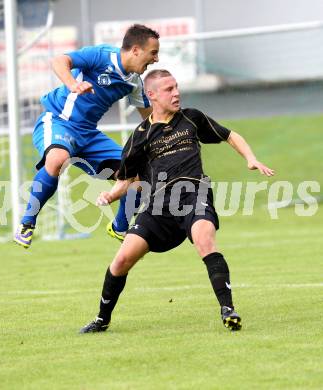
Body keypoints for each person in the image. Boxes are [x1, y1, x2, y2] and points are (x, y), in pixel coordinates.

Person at [79, 69, 275, 334]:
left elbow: (230, 135)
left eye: (177, 87)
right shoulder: (139, 136)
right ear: (152, 95)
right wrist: (111, 195)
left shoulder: (191, 118)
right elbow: (127, 179)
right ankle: (102, 319)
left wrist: (250, 158)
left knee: (205, 239)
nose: (176, 93)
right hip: (158, 207)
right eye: (169, 89)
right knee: (122, 259)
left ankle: (228, 310)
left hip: (194, 193)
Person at [13, 24, 160, 248]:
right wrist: (73, 84)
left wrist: (171, 133)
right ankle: (27, 223)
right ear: (136, 50)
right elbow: (59, 61)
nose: (156, 59)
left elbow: (150, 120)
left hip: (89, 135)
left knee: (138, 177)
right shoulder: (101, 55)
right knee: (56, 160)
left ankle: (119, 227)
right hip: (59, 120)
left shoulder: (134, 83)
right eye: (153, 53)